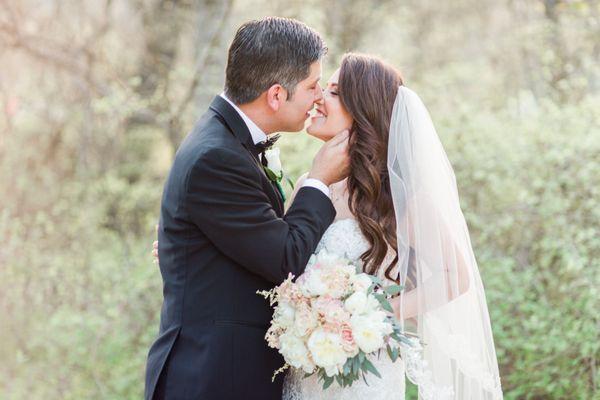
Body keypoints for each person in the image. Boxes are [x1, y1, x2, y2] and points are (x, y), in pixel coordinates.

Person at [144, 17, 350, 400]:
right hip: (214, 379)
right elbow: (285, 257)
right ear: (275, 95)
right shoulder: (217, 158)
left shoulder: (226, 144)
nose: (318, 96)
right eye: (311, 85)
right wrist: (319, 180)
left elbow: (245, 243)